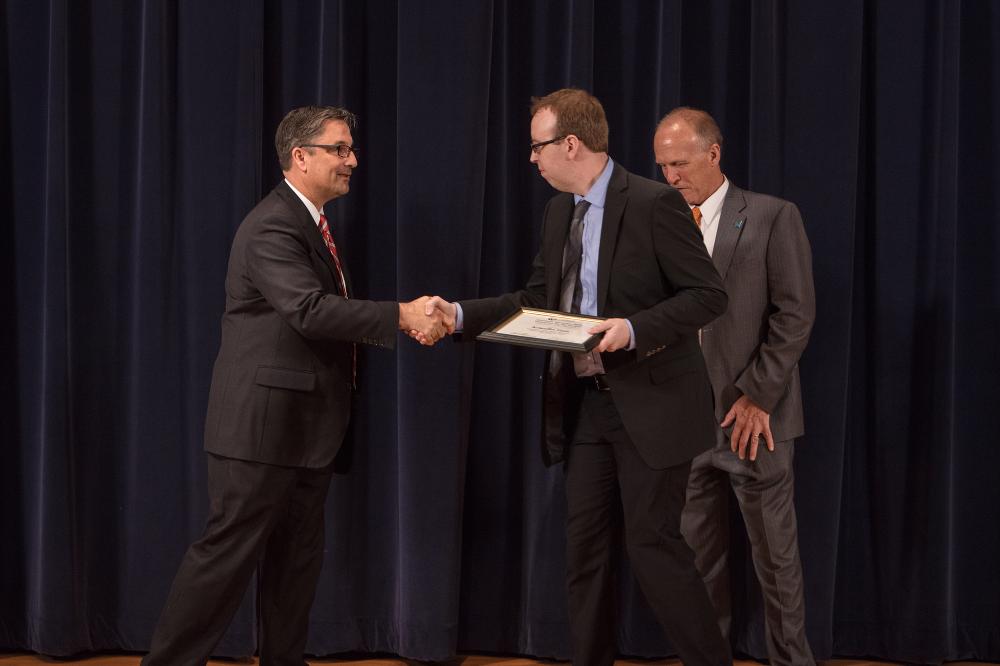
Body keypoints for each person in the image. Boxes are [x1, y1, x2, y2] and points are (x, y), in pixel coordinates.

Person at [423, 89, 731, 666]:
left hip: (654, 404)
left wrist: (634, 329)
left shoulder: (653, 204)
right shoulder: (559, 211)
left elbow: (708, 295)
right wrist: (458, 316)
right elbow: (537, 300)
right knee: (584, 551)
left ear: (570, 144)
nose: (531, 159)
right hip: (587, 404)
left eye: (536, 147)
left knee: (653, 548)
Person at [142, 105, 447, 666]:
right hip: (260, 433)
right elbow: (309, 310)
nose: (352, 160)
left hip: (305, 432)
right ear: (300, 156)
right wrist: (401, 314)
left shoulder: (309, 222)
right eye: (339, 149)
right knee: (224, 563)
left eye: (351, 149)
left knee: (295, 567)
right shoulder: (273, 224)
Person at [653, 107, 816, 665]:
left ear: (713, 153)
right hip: (686, 424)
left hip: (756, 423)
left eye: (679, 163)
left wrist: (757, 395)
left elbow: (795, 315)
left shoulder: (773, 216)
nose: (670, 176)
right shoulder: (660, 221)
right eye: (662, 166)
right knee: (697, 564)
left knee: (777, 563)